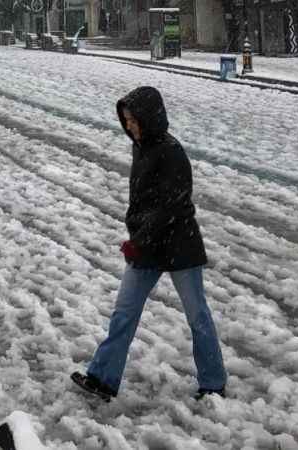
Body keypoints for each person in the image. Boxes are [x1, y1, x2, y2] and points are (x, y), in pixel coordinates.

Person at [71, 86, 227, 402]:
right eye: (126, 120)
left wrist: (138, 242)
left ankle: (213, 383)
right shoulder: (141, 147)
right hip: (147, 246)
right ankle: (102, 378)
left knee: (197, 317)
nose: (129, 126)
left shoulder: (171, 151)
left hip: (179, 245)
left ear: (149, 117)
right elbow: (142, 203)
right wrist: (137, 237)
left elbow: (171, 206)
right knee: (124, 313)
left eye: (133, 120)